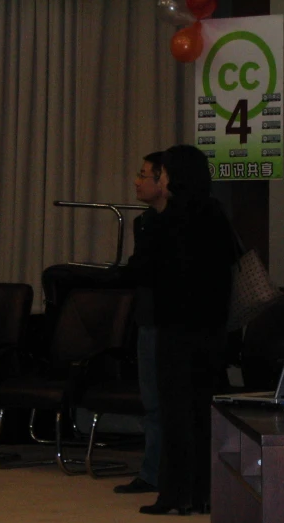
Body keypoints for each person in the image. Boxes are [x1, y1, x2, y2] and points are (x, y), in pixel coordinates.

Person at [137, 144, 236, 516]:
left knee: (175, 414)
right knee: (204, 414)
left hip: (176, 330)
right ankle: (205, 493)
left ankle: (175, 494)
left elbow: (147, 271)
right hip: (211, 330)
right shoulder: (214, 212)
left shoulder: (168, 218)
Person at [113, 151, 168, 494]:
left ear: (164, 182)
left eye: (144, 175)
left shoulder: (184, 222)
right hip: (149, 317)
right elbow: (140, 269)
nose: (137, 181)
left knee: (172, 401)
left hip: (179, 322)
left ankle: (172, 472)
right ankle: (151, 472)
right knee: (152, 401)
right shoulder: (144, 222)